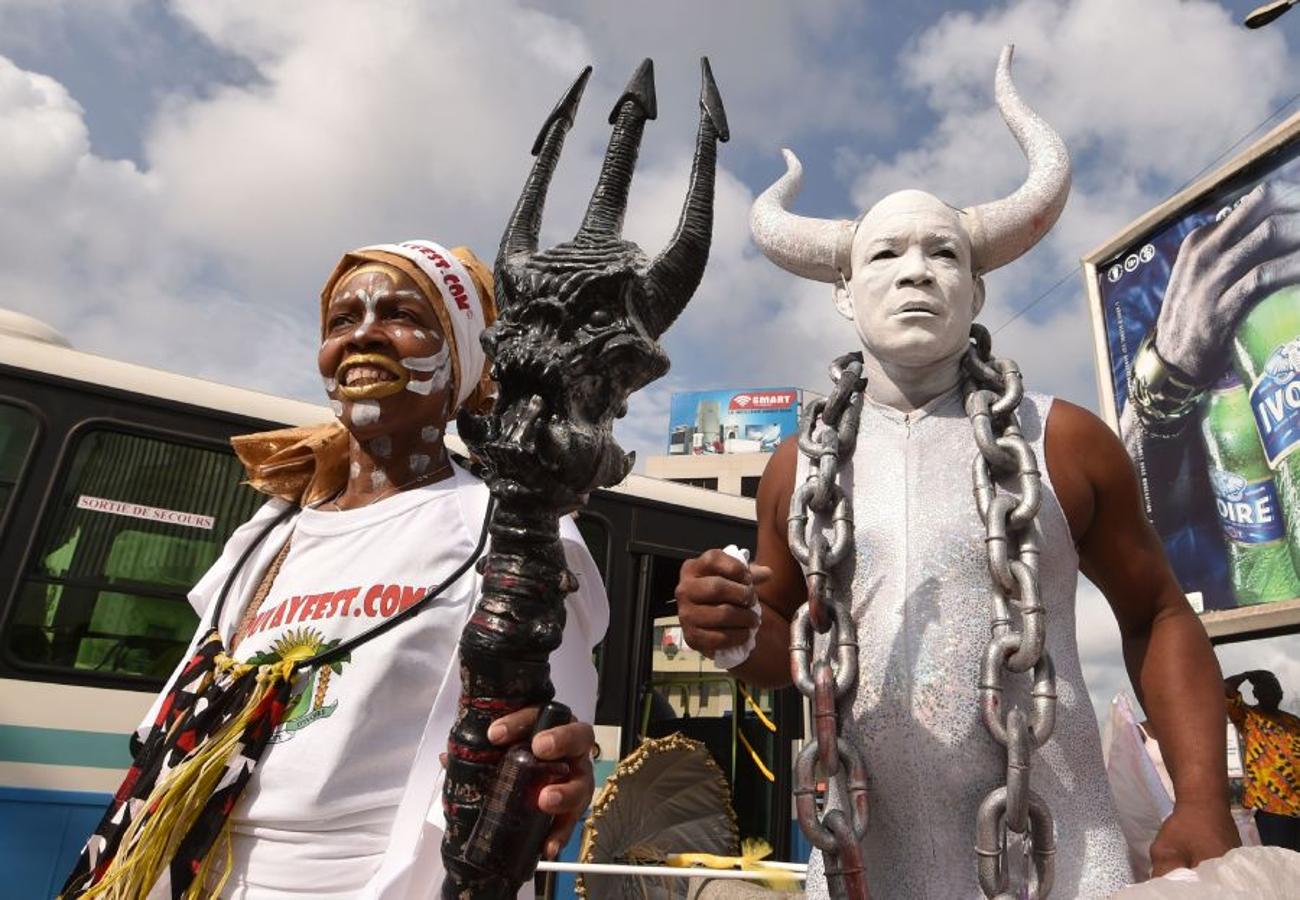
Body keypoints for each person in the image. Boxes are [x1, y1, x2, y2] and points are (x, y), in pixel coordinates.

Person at [674, 48, 1239, 898]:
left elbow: (1155, 611)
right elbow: (788, 634)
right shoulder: (798, 465)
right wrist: (731, 629)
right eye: (885, 256)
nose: (915, 273)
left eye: (944, 254)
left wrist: (1200, 797)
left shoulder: (1064, 439)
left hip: (1061, 855)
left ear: (976, 291)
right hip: (869, 858)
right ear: (845, 294)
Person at [62, 240, 607, 899]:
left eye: (403, 314)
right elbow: (172, 727)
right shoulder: (268, 533)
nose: (365, 335)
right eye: (342, 321)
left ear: (462, 359)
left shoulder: (513, 528)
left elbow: (546, 742)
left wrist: (555, 766)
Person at [1224, 669, 1300, 850]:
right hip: (1270, 806)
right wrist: (1247, 675)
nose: (1273, 693)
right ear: (1256, 694)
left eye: (1275, 689)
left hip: (1297, 803)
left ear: (1281, 694)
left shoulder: (1293, 721)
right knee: (1281, 861)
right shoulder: (1247, 717)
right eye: (1266, 689)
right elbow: (1225, 687)